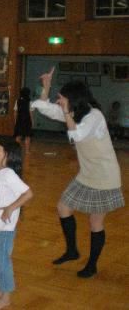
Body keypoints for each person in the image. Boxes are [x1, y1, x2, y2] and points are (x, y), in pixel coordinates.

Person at [32, 67, 124, 278]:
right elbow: (45, 108)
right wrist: (45, 88)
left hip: (104, 176)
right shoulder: (76, 112)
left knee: (95, 222)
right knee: (63, 207)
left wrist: (65, 111)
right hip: (87, 174)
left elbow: (76, 136)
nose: (59, 102)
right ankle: (72, 250)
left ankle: (92, 265)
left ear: (73, 100)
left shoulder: (94, 116)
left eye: (62, 99)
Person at [0, 127, 33, 310]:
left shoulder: (9, 174)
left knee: (2, 262)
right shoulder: (0, 172)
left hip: (3, 230)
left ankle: (6, 297)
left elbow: (28, 194)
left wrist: (11, 208)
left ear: (7, 155)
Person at [13, 87, 34, 153]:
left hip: (19, 120)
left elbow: (15, 112)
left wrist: (15, 120)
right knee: (27, 136)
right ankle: (27, 151)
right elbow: (31, 113)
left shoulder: (17, 101)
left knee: (18, 136)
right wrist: (32, 121)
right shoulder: (30, 102)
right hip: (27, 120)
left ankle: (16, 150)